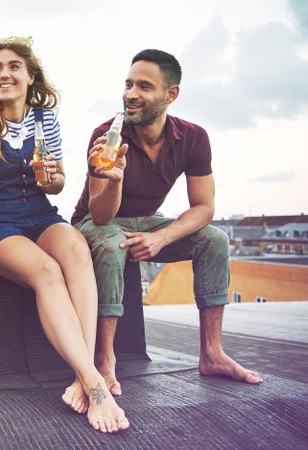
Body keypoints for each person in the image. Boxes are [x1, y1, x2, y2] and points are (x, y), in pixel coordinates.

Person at [0, 36, 129, 433]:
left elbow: (57, 185)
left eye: (14, 66)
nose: (5, 74)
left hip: (39, 215)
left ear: (30, 76)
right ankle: (96, 384)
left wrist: (52, 179)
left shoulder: (45, 119)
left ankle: (82, 376)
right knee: (47, 272)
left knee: (76, 246)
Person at [72, 49, 263, 396]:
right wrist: (114, 179)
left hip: (148, 222)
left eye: (144, 86)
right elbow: (101, 216)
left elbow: (204, 207)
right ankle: (104, 361)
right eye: (128, 84)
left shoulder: (193, 137)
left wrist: (162, 238)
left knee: (215, 239)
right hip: (95, 221)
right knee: (114, 243)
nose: (131, 94)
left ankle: (212, 354)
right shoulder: (106, 134)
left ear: (170, 94)